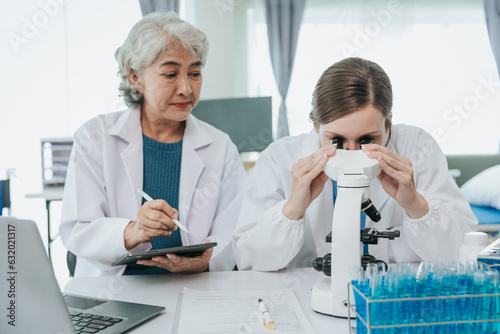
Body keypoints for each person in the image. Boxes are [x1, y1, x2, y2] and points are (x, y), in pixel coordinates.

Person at [233, 57, 477, 271]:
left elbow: (463, 254)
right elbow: (249, 261)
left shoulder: (418, 146)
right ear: (315, 125)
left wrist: (415, 205)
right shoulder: (279, 158)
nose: (351, 152)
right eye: (336, 140)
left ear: (388, 123)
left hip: (390, 298)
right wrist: (293, 209)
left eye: (367, 140)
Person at [60, 12, 247, 276]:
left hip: (192, 287)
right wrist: (132, 231)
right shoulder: (95, 137)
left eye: (195, 73)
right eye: (170, 74)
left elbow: (236, 231)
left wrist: (207, 261)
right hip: (113, 295)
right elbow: (78, 229)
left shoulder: (220, 146)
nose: (186, 88)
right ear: (135, 77)